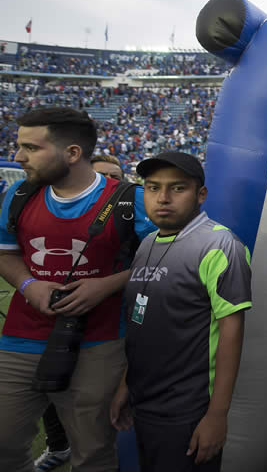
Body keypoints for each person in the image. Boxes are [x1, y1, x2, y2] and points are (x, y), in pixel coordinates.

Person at [0, 107, 155, 472]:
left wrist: (108, 285)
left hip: (100, 342)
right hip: (21, 338)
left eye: (31, 147)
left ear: (72, 152)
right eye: (19, 146)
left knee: (93, 453)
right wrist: (29, 284)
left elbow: (166, 261)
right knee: (4, 443)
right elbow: (5, 253)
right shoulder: (18, 194)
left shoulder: (131, 200)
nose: (18, 157)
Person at [110, 151, 252, 472]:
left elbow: (232, 334)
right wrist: (126, 385)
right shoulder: (147, 244)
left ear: (200, 194)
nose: (163, 198)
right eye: (152, 187)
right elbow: (141, 323)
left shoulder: (220, 245)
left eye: (177, 188)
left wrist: (216, 416)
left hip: (187, 411)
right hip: (144, 401)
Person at [36, 152, 128, 472]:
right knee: (50, 385)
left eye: (116, 178)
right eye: (103, 178)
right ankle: (58, 446)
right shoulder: (61, 221)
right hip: (59, 328)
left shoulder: (137, 220)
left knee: (101, 407)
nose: (111, 184)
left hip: (113, 332)